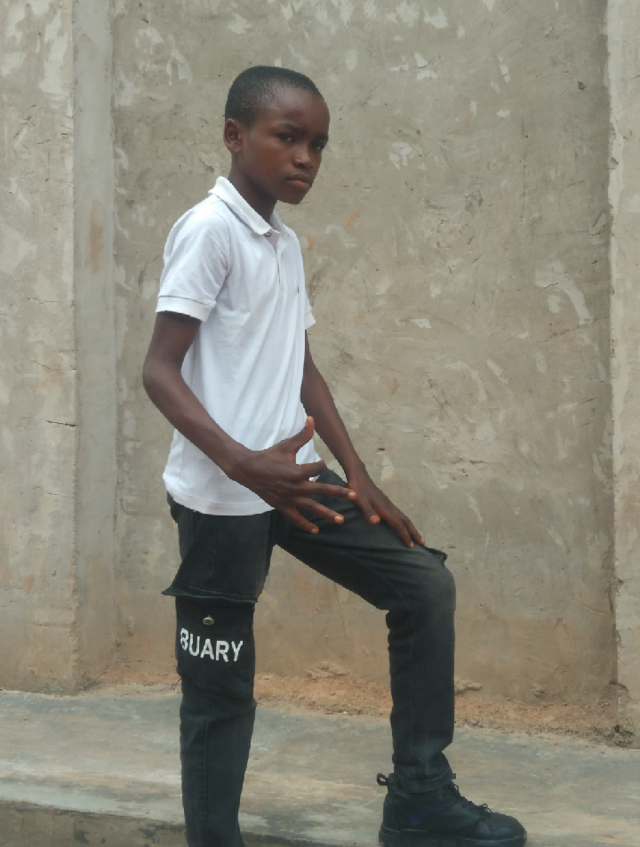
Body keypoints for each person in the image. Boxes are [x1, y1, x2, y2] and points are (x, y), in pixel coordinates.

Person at [143, 66, 527, 847]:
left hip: (297, 482)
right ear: (235, 136)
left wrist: (357, 472)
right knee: (219, 694)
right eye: (288, 137)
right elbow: (158, 370)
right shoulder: (210, 230)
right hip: (223, 499)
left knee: (423, 585)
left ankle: (419, 799)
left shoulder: (282, 242)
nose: (305, 158)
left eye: (318, 144)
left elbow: (301, 365)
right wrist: (243, 463)